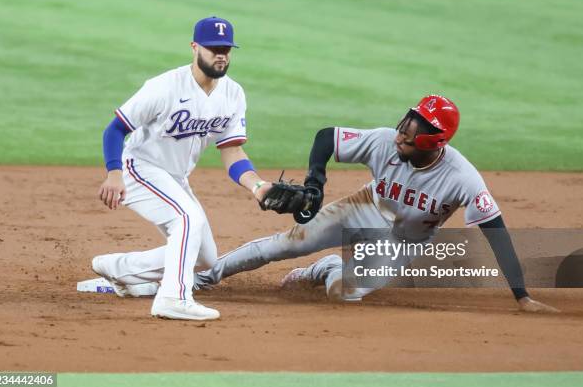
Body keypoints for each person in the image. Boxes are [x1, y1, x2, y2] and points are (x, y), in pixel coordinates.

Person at [194, 95, 559, 313]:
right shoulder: (386, 141)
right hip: (366, 205)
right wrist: (315, 183)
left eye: (415, 131)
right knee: (288, 242)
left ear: (435, 141)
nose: (403, 133)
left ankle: (324, 268)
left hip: (404, 241)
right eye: (406, 123)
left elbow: (495, 230)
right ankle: (202, 279)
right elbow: (326, 138)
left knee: (343, 296)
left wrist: (522, 296)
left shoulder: (462, 178)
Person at [93, 16, 272, 321]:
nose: (221, 55)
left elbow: (231, 150)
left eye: (226, 49)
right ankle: (173, 297)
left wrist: (257, 186)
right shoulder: (164, 87)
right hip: (139, 168)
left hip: (174, 176)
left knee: (205, 258)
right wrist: (114, 173)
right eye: (213, 48)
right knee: (186, 219)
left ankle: (117, 269)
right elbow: (115, 130)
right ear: (194, 47)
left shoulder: (233, 94)